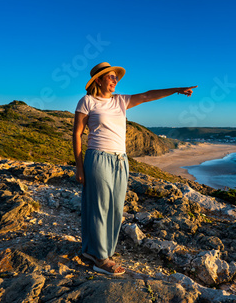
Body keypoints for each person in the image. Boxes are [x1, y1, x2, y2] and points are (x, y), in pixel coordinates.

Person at [73, 62, 197, 275]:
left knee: (115, 207)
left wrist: (176, 90)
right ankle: (100, 259)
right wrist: (79, 166)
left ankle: (94, 250)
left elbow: (148, 95)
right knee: (99, 205)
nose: (115, 81)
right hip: (97, 157)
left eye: (115, 78)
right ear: (99, 80)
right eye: (110, 77)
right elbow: (77, 134)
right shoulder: (87, 101)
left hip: (121, 160)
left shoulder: (121, 101)